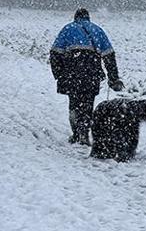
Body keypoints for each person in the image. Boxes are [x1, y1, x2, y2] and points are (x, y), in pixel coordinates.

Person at [49, 8, 124, 145]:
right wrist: (113, 78)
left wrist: (59, 74)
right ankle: (84, 131)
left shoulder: (67, 29)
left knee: (74, 102)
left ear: (75, 17)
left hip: (72, 73)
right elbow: (109, 55)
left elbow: (55, 53)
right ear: (88, 17)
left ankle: (76, 133)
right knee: (88, 103)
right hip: (92, 72)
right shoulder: (97, 30)